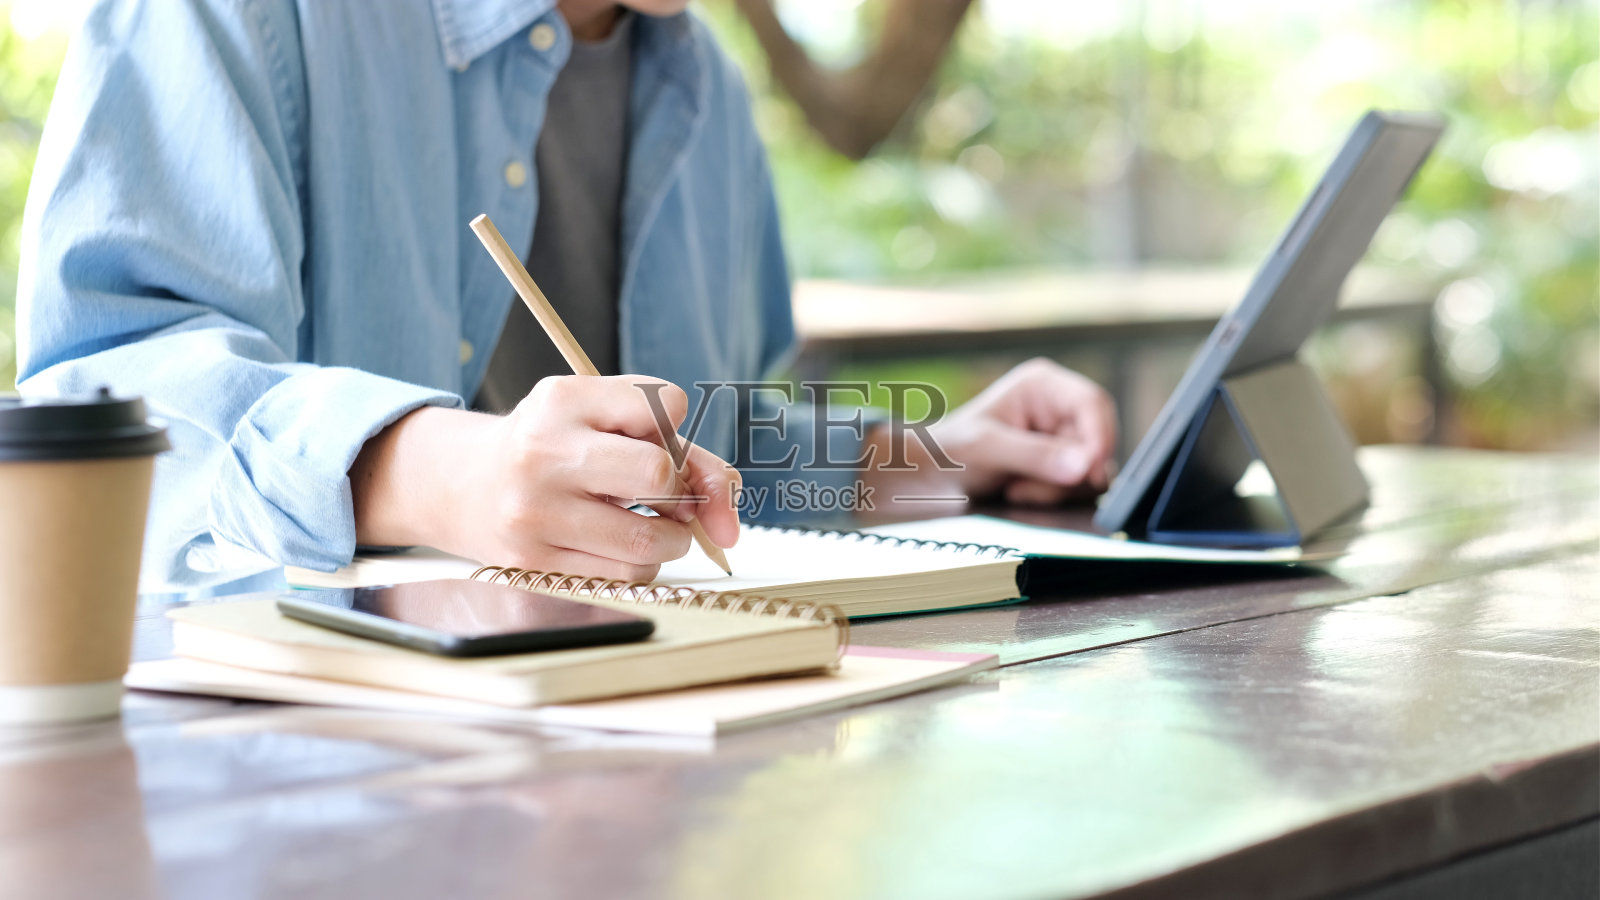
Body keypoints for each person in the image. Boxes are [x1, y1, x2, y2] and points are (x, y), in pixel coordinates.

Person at [16, 0, 1116, 591]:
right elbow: (96, 410)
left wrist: (937, 459)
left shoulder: (704, 88)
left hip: (648, 777)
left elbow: (711, 450)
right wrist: (432, 473)